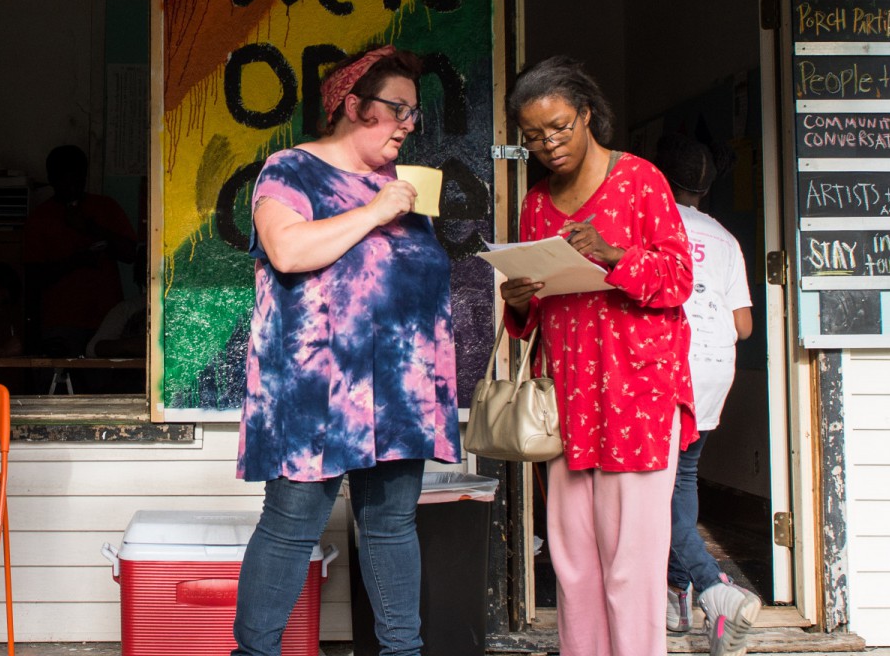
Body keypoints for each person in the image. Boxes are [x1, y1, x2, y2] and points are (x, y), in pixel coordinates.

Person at [233, 45, 459, 656]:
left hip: (397, 391)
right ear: (353, 106)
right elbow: (288, 251)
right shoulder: (291, 170)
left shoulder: (404, 188)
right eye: (398, 110)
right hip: (315, 391)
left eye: (415, 114)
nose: (409, 125)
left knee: (391, 528)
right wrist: (375, 209)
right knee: (290, 527)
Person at [499, 56, 696, 656]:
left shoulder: (640, 180)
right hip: (566, 401)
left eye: (558, 127)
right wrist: (519, 300)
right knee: (575, 567)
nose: (548, 144)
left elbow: (679, 278)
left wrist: (613, 255)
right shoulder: (535, 203)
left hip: (636, 397)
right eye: (533, 137)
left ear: (587, 115)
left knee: (631, 568)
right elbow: (538, 313)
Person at [652, 134, 761, 655]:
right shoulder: (724, 238)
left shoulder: (654, 224)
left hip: (668, 365)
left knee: (653, 486)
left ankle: (711, 587)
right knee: (684, 476)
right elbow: (744, 326)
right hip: (715, 367)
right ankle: (679, 594)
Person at [22, 144, 139, 357]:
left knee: (108, 386)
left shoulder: (105, 207)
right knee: (62, 386)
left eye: (78, 179)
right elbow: (33, 278)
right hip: (61, 322)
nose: (72, 186)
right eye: (65, 180)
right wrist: (77, 261)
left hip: (108, 319)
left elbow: (131, 254)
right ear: (52, 179)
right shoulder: (40, 218)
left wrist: (90, 228)